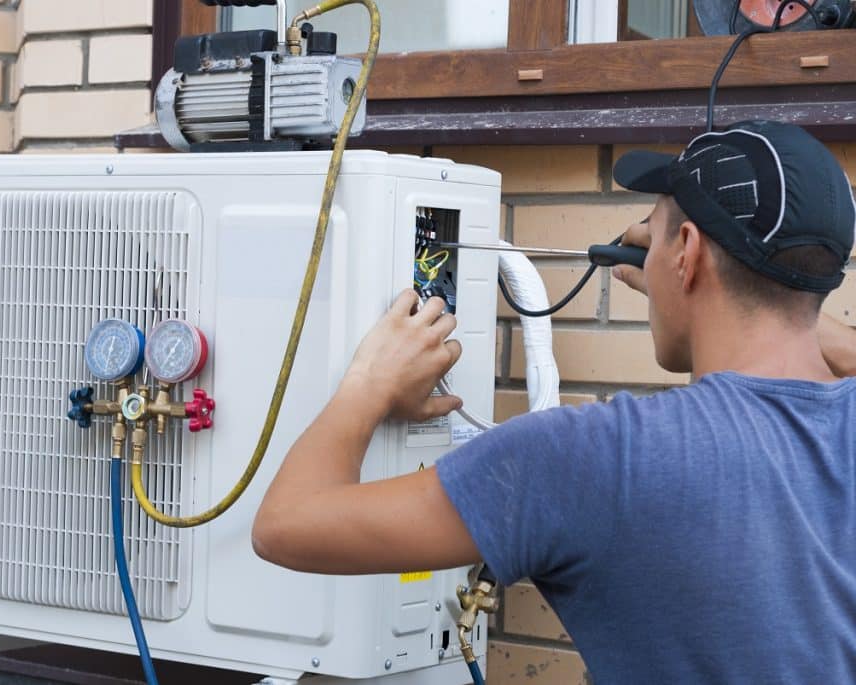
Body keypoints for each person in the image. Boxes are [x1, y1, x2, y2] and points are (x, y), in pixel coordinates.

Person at [252, 121, 856, 682]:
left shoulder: (596, 457)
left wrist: (370, 382)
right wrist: (736, 290)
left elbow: (285, 526)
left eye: (657, 230)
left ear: (688, 251)